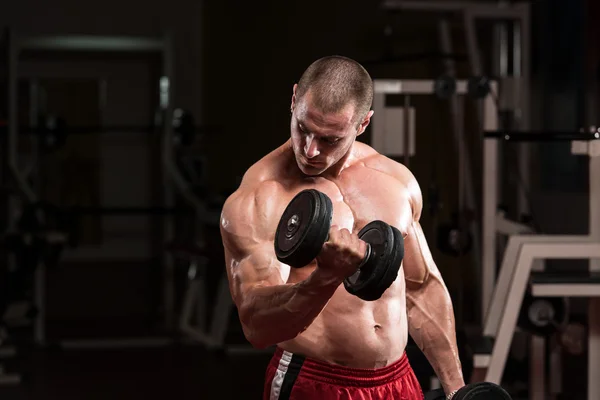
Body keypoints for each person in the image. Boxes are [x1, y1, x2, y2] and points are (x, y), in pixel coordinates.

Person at [219, 55, 465, 400]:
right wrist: (325, 278)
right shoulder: (261, 196)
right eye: (303, 128)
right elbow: (256, 326)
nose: (310, 150)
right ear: (293, 100)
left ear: (363, 123)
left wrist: (457, 389)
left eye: (330, 139)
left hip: (400, 379)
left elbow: (420, 287)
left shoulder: (395, 181)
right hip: (316, 380)